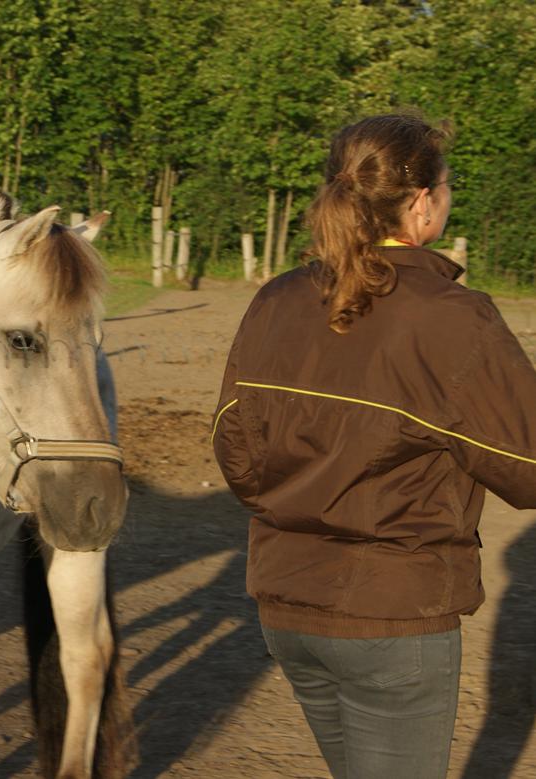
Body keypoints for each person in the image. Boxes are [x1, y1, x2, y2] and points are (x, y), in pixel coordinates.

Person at [212, 113, 536, 778]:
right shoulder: (450, 315)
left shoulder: (275, 299)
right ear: (422, 203)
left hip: (288, 609)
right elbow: (529, 468)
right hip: (392, 617)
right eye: (446, 186)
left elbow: (236, 453)